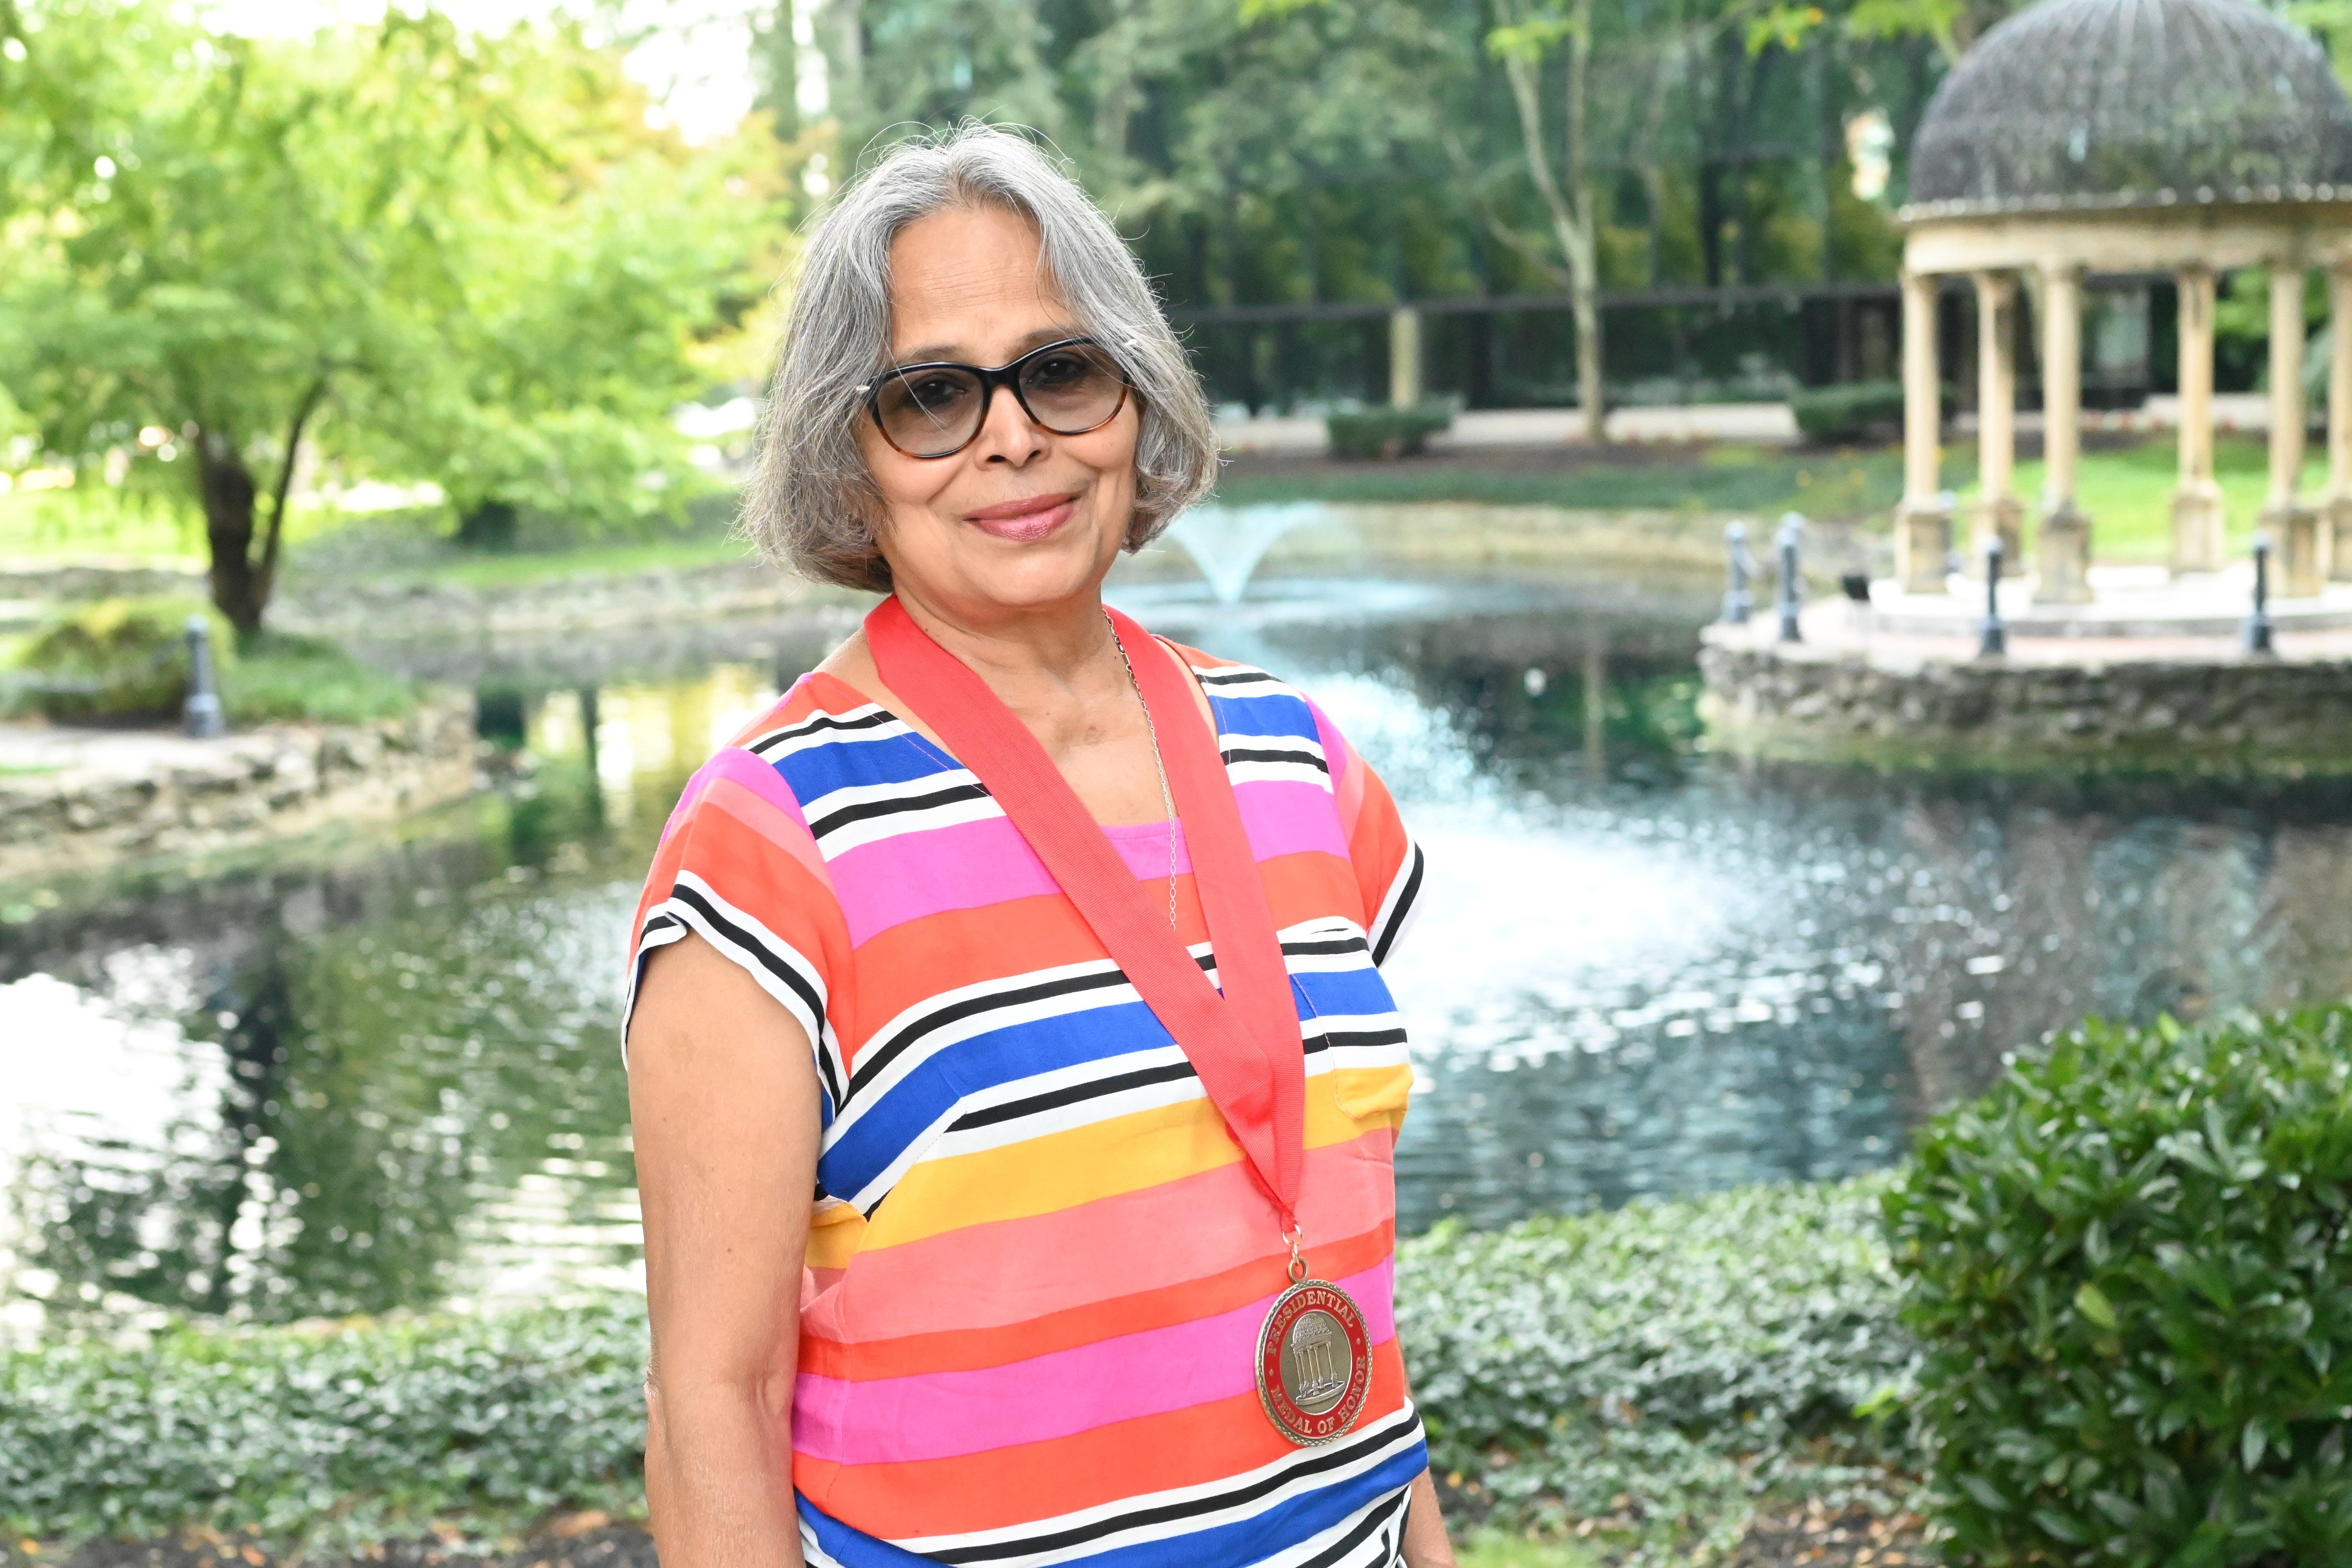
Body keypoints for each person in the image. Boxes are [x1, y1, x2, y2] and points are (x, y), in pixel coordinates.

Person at [623, 123, 1450, 1568]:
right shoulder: (769, 845)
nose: (1015, 435)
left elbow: (1354, 1300)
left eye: (1061, 370)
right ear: (848, 459)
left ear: (1135, 394)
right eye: (931, 394)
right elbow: (716, 1403)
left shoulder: (1305, 768)